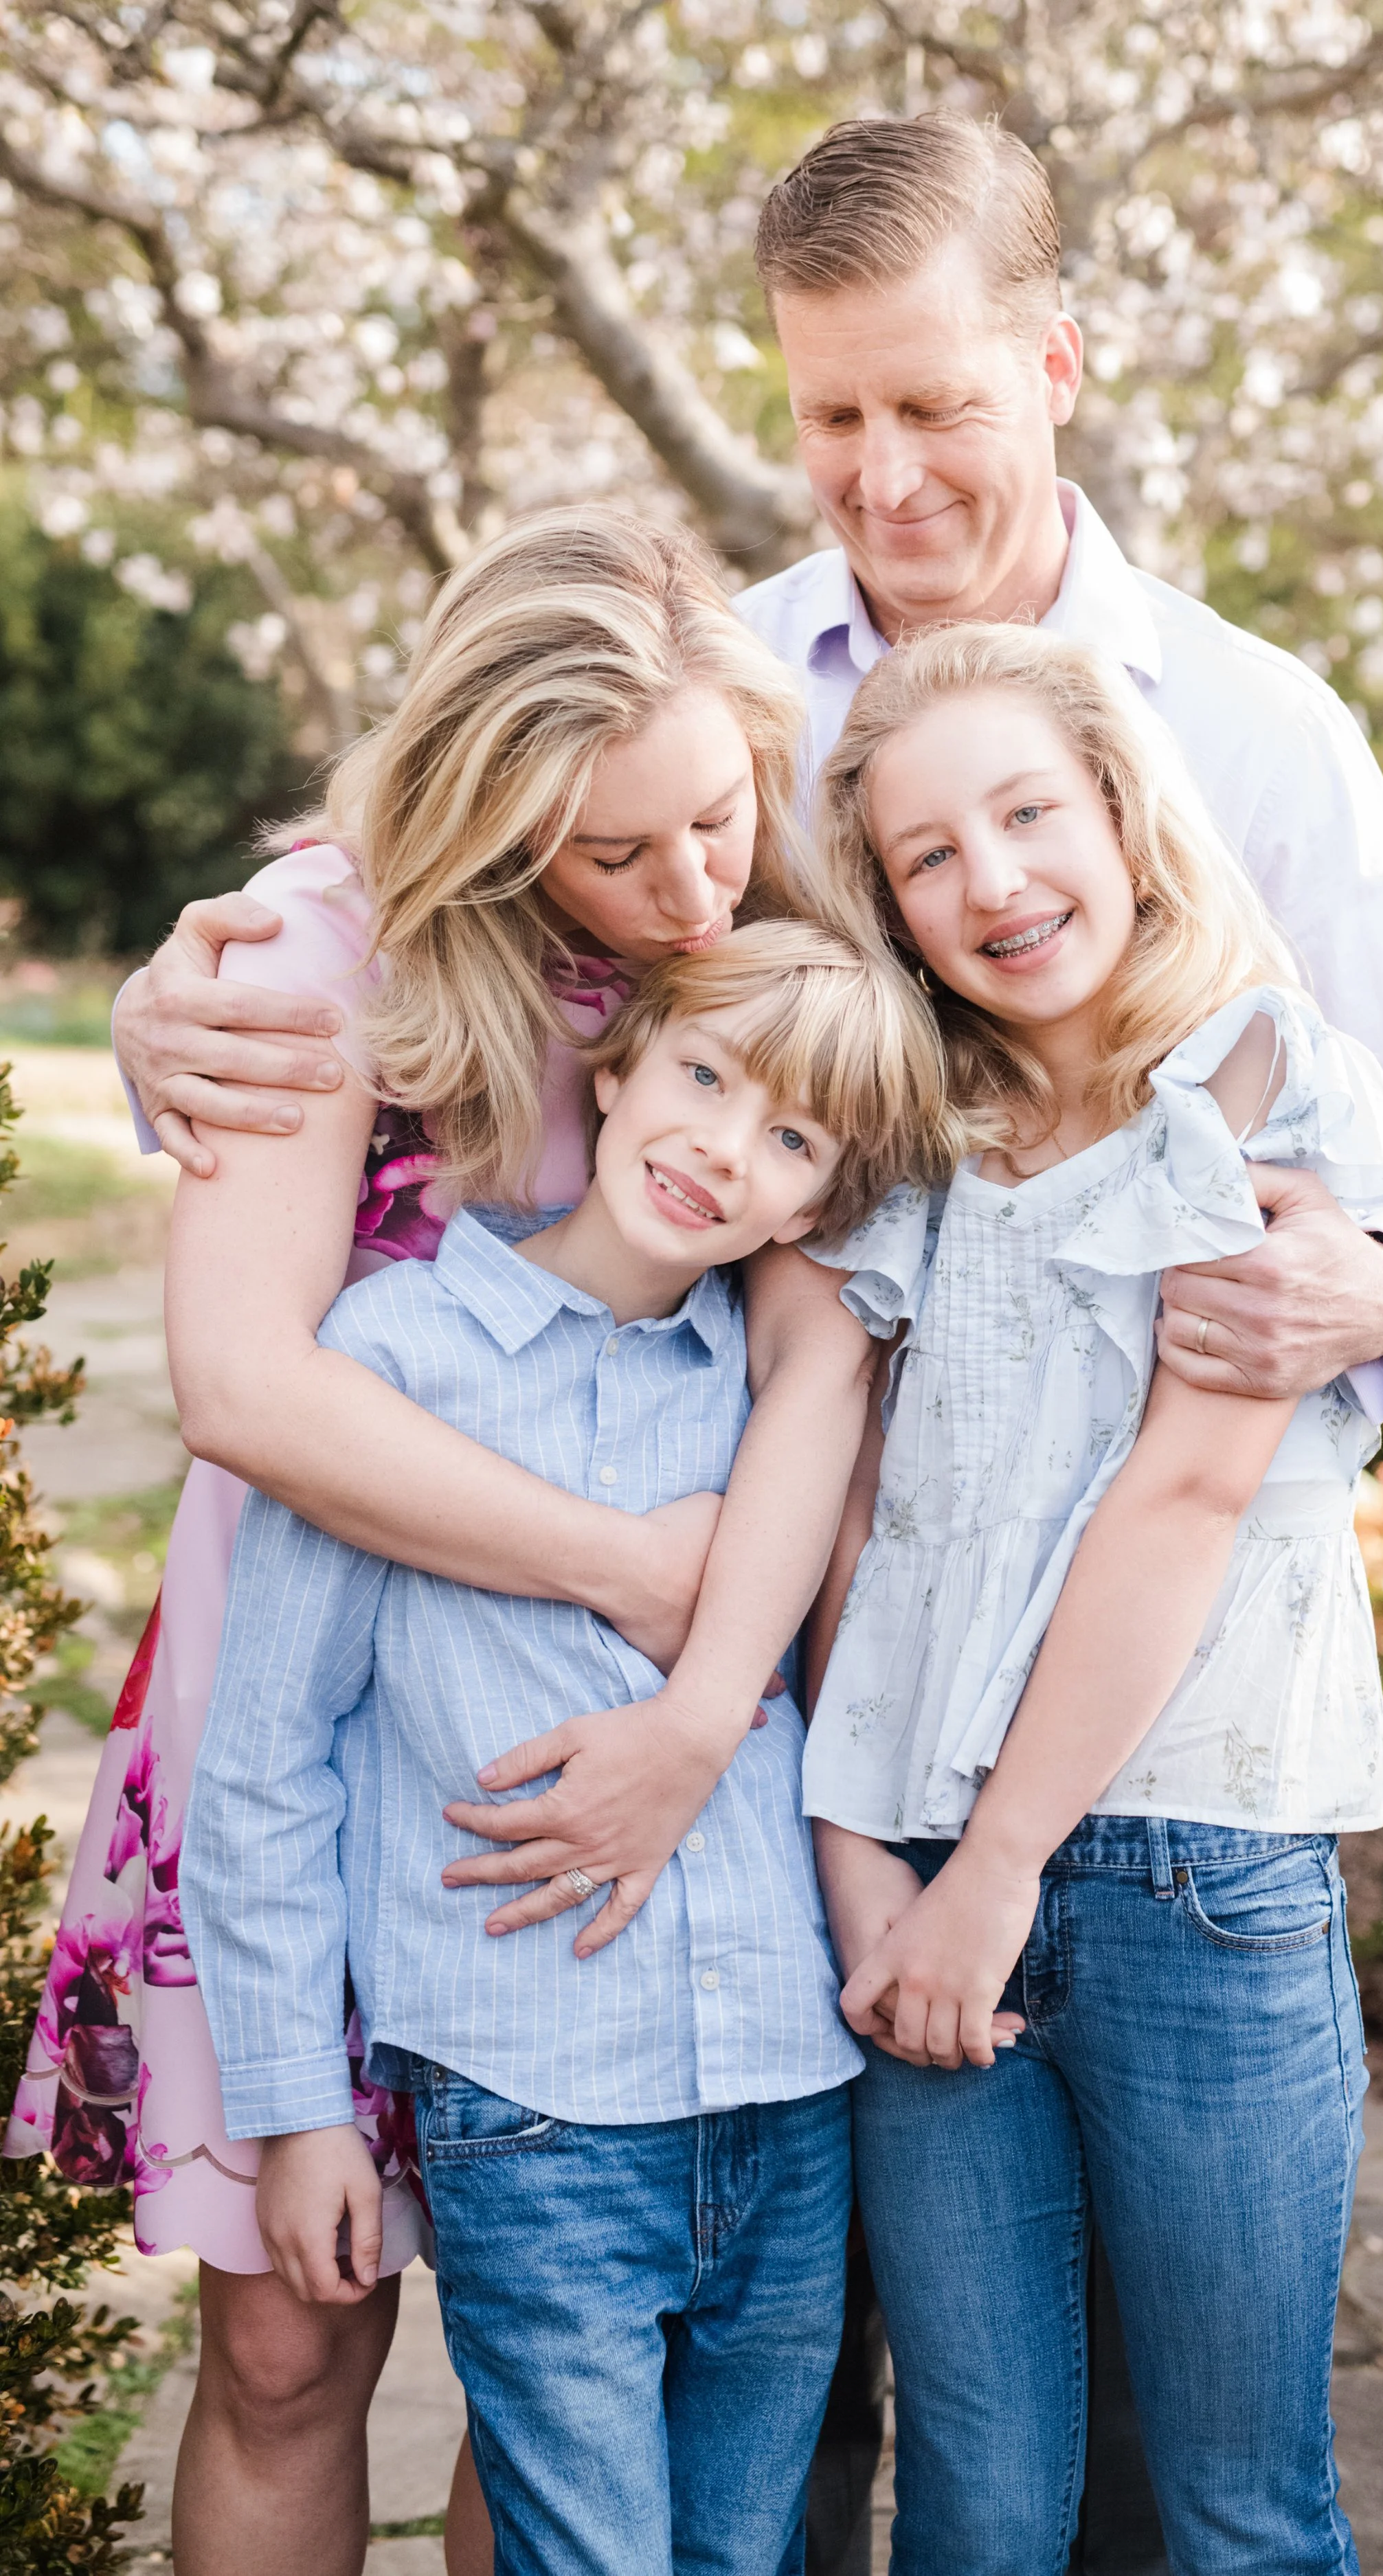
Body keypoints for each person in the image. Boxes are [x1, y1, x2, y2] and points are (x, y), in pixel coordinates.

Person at [87, 108, 1383, 2569]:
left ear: (1055, 369)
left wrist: (1377, 1282)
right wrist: (181, 990)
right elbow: (422, 899)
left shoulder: (1250, 730)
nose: (884, 471)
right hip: (693, 1685)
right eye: (832, 414)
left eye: (937, 405)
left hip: (1047, 1725)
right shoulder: (727, 699)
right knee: (641, 2370)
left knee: (1100, 2450)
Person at [6, 508, 890, 2576]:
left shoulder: (757, 933)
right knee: (295, 2342)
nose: (687, 883)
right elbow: (246, 1386)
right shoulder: (326, 955)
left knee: (563, 2358)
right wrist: (626, 1563)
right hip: (310, 1719)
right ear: (486, 822)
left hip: (582, 1789)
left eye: (714, 811)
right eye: (613, 851)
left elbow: (826, 1334)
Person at [181, 923, 949, 2576]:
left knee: (740, 2555)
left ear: (814, 1209)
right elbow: (263, 1765)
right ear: (609, 1072)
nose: (722, 1147)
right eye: (700, 1077)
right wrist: (301, 2110)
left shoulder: (771, 1411)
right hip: (532, 2105)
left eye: (791, 1139)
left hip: (783, 2097)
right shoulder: (385, 1370)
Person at [802, 622, 1383, 2574]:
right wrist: (868, 1877)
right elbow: (857, 1528)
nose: (989, 878)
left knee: (1238, 2508)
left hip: (1190, 1873)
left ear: (1119, 813)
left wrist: (989, 1875)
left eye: (1023, 811)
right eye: (926, 855)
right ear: (891, 911)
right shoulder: (911, 1137)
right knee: (980, 2504)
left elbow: (1179, 1493)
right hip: (918, 1871)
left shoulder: (1249, 1082)